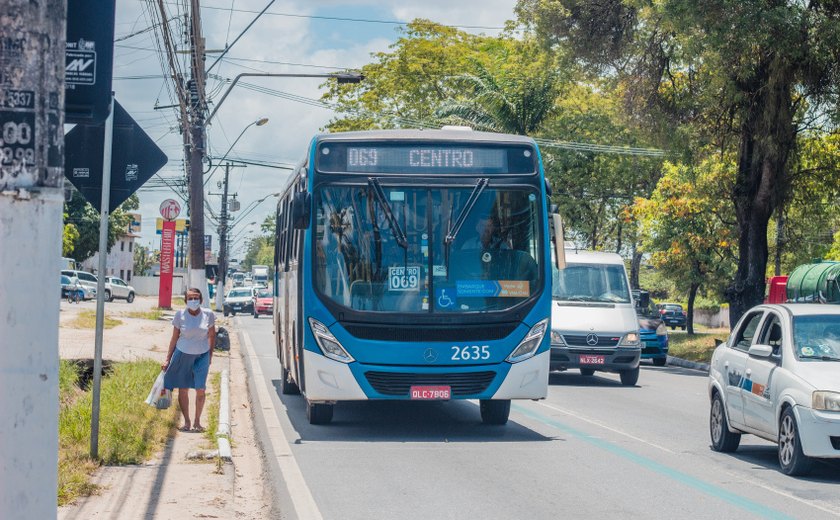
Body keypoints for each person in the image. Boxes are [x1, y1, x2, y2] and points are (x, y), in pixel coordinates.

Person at [162, 287, 216, 432]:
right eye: (190, 298)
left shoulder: (208, 315)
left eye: (196, 298)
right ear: (186, 301)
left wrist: (210, 355)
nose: (193, 301)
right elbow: (174, 338)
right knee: (183, 388)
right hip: (182, 354)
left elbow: (212, 336)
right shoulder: (180, 315)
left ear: (201, 300)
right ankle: (187, 422)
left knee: (200, 389)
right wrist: (167, 359)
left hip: (202, 355)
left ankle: (197, 421)